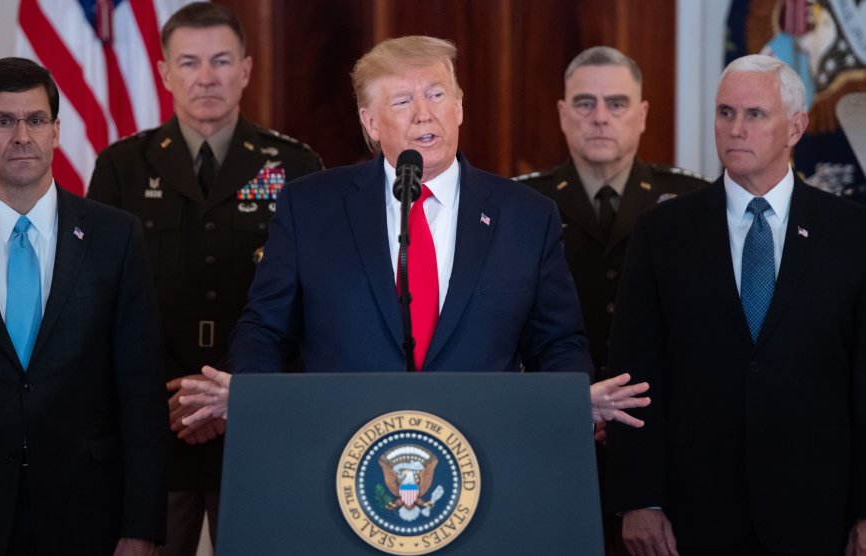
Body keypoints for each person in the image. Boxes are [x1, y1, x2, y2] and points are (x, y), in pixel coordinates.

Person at [176, 36, 650, 438]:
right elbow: (265, 329)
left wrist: (571, 400)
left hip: (484, 452)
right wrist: (251, 394)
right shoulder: (310, 207)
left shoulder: (525, 215)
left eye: (438, 95)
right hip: (340, 449)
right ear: (369, 121)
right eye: (403, 101)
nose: (425, 115)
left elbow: (557, 342)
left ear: (460, 106)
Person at [85, 3, 323, 555]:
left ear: (246, 69)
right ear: (165, 73)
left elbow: (313, 303)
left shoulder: (295, 167)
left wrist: (229, 396)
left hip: (258, 423)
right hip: (154, 425)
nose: (207, 77)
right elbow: (98, 302)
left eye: (221, 61)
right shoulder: (122, 167)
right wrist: (184, 404)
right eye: (189, 62)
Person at [606, 54, 866, 555]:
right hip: (693, 517)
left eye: (754, 114)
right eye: (725, 113)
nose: (735, 129)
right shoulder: (663, 232)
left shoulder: (851, 233)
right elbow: (635, 373)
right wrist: (640, 498)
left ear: (795, 127)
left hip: (816, 514)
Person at [0, 57, 166, 555]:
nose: (21, 135)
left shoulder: (115, 236)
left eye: (35, 120)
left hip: (88, 512)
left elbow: (140, 392)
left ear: (56, 131)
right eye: (2, 121)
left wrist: (141, 527)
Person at [515, 46, 707, 382]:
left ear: (642, 115)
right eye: (585, 103)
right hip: (557, 406)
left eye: (617, 104)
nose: (600, 117)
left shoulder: (691, 199)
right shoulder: (522, 203)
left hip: (661, 409)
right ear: (563, 114)